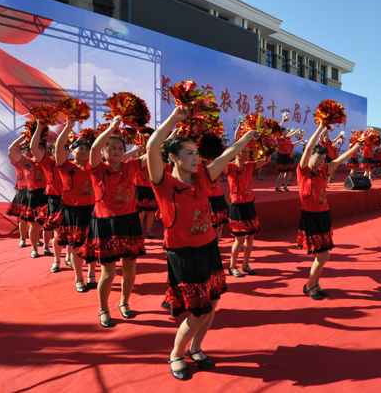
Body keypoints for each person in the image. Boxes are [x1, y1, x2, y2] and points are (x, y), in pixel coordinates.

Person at [146, 106, 261, 381]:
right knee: (198, 311)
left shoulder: (202, 177)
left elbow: (226, 155)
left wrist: (246, 138)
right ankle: (176, 354)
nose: (196, 158)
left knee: (213, 303)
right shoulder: (163, 182)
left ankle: (196, 348)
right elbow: (152, 146)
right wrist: (174, 119)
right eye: (189, 153)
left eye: (196, 153)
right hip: (183, 253)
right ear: (173, 158)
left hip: (208, 248)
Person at [78, 115, 147, 328]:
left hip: (130, 222)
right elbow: (94, 148)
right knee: (108, 274)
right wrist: (112, 128)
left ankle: (124, 303)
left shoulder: (131, 166)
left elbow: (154, 151)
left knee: (130, 271)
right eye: (112, 148)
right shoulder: (97, 168)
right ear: (105, 151)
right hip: (105, 224)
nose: (116, 151)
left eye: (120, 148)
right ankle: (103, 309)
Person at [296, 122, 365, 300]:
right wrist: (320, 128)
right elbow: (308, 148)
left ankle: (316, 284)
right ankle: (309, 285)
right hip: (311, 216)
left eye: (323, 159)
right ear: (311, 156)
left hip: (325, 214)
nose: (321, 161)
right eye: (318, 158)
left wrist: (356, 147)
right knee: (323, 255)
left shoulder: (324, 171)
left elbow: (339, 160)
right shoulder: (303, 171)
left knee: (324, 253)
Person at [53, 119, 97, 288]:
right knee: (77, 247)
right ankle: (79, 278)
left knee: (93, 245)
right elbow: (59, 147)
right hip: (73, 212)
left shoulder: (96, 167)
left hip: (93, 211)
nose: (84, 151)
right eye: (81, 148)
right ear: (72, 150)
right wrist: (68, 127)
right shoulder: (65, 166)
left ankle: (92, 274)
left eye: (87, 149)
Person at [224, 143, 271, 278]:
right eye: (243, 151)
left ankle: (246, 265)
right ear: (237, 152)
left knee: (250, 237)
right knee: (239, 239)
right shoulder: (230, 167)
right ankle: (232, 266)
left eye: (248, 152)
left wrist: (268, 146)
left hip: (249, 203)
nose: (247, 154)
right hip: (236, 206)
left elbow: (266, 160)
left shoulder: (250, 165)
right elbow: (218, 162)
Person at [8, 132, 47, 258]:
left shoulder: (49, 162)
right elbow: (11, 150)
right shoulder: (24, 161)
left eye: (42, 148)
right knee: (26, 219)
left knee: (47, 223)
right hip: (27, 192)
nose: (39, 150)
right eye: (36, 148)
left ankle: (45, 245)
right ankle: (25, 241)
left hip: (46, 194)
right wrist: (26, 137)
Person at [30, 126, 64, 263]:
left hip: (66, 200)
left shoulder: (72, 165)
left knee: (60, 229)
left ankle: (50, 249)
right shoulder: (48, 162)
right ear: (53, 152)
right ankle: (34, 248)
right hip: (48, 197)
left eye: (65, 149)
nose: (62, 152)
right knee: (37, 224)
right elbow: (33, 148)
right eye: (59, 149)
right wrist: (39, 128)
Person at [6, 136, 30, 249]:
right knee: (23, 218)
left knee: (36, 218)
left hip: (36, 192)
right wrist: (23, 142)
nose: (28, 152)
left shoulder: (38, 161)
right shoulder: (18, 162)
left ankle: (35, 238)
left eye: (29, 150)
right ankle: (22, 239)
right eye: (25, 150)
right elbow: (10, 152)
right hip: (22, 191)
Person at [275, 128, 301, 192]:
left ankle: (285, 186)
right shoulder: (279, 138)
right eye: (285, 131)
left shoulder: (287, 138)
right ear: (281, 133)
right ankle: (278, 186)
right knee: (282, 172)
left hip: (287, 156)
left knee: (288, 172)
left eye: (286, 131)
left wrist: (297, 130)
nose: (286, 132)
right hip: (281, 156)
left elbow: (292, 134)